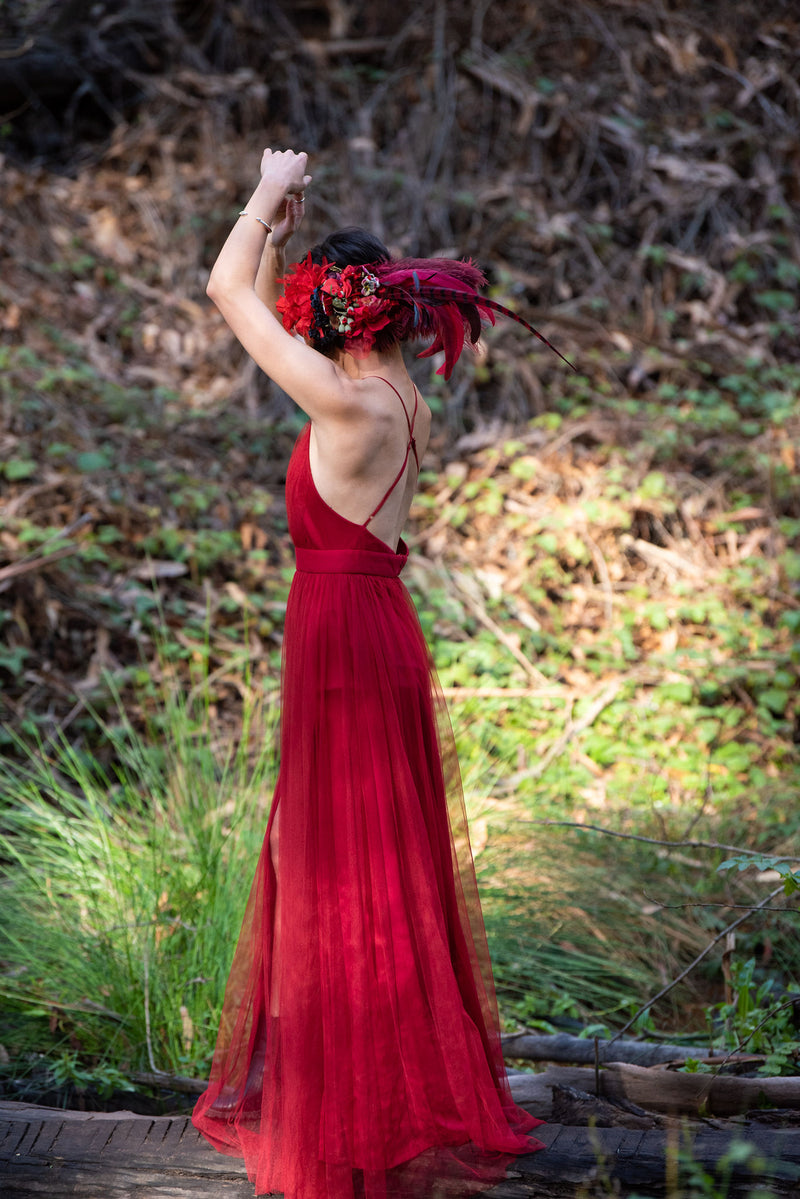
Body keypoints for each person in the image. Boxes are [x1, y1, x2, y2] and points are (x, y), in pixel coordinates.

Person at [192, 148, 548, 1199]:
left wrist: (261, 193)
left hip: (344, 636)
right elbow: (257, 303)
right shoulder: (394, 396)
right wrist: (284, 240)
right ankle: (372, 1081)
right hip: (372, 623)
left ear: (334, 320)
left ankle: (351, 1108)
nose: (294, 321)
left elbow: (224, 295)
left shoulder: (347, 408)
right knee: (364, 859)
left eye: (308, 307)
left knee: (339, 867)